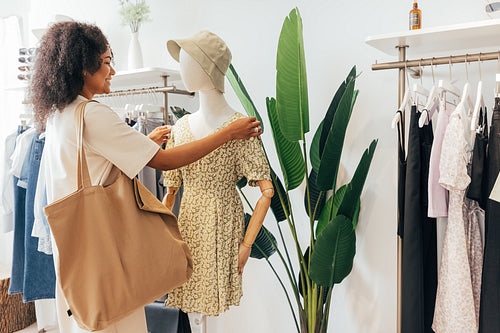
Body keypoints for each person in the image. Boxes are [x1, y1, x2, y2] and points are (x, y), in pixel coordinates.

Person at [30, 21, 261, 333]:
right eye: (107, 61)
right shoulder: (93, 114)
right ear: (83, 67)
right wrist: (226, 134)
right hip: (103, 250)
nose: (112, 71)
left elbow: (95, 168)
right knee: (116, 320)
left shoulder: (61, 114)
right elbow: (165, 163)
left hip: (75, 246)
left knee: (84, 320)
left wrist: (142, 144)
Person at [162, 30, 273, 330]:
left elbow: (267, 191)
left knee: (216, 306)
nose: (181, 67)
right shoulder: (180, 128)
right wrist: (163, 238)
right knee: (192, 307)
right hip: (187, 225)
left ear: (206, 67)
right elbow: (170, 192)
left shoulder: (241, 127)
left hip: (224, 224)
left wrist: (247, 245)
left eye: (188, 60)